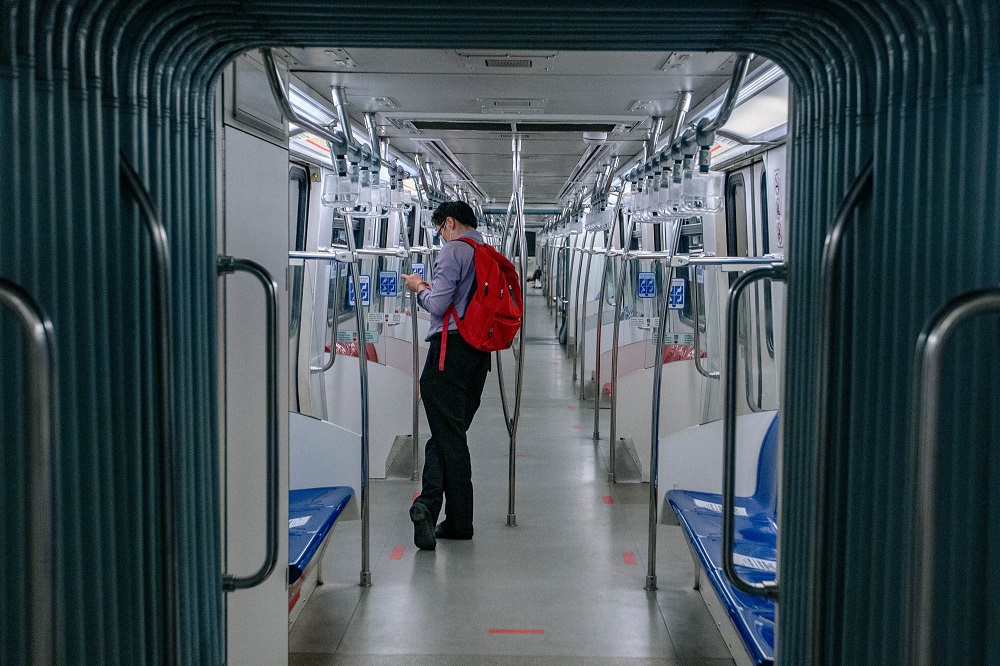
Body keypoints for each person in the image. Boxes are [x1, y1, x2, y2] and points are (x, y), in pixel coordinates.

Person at [401, 200, 492, 550]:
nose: (441, 237)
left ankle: (435, 510)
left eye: (440, 229)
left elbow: (438, 305)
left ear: (450, 223)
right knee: (447, 438)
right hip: (478, 358)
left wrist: (418, 287)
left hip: (446, 358)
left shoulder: (453, 252)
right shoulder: (485, 250)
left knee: (448, 440)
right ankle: (452, 519)